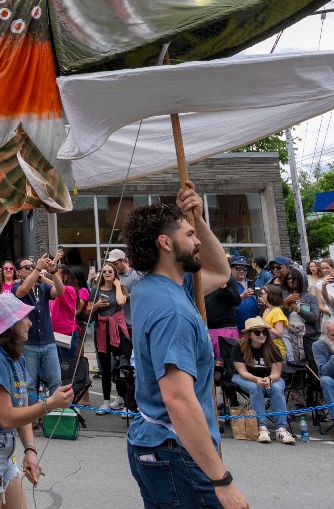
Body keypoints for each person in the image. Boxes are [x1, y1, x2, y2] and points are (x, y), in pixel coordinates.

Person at [121, 187, 247, 509]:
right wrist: (221, 480)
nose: (198, 242)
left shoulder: (154, 286)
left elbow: (220, 272)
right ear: (165, 242)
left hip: (156, 445)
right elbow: (177, 398)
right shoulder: (172, 310)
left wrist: (198, 219)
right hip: (177, 450)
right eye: (190, 235)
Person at [0, 293, 74, 508]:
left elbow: (22, 410)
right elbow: (7, 418)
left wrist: (30, 450)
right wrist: (50, 404)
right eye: (24, 317)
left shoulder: (17, 357)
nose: (30, 323)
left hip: (3, 445)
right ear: (10, 324)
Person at [230, 317, 293, 444]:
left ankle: (281, 429)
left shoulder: (273, 347)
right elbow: (242, 372)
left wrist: (268, 379)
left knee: (277, 388)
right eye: (257, 332)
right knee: (255, 387)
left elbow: (276, 373)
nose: (262, 335)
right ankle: (261, 427)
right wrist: (257, 379)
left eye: (264, 331)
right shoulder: (239, 346)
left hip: (270, 377)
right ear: (249, 334)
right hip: (245, 377)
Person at [13, 252, 63, 395]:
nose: (31, 269)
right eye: (27, 267)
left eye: (32, 266)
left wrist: (53, 271)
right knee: (29, 385)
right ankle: (31, 410)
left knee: (56, 381)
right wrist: (37, 269)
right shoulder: (16, 287)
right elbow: (22, 291)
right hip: (29, 343)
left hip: (48, 341)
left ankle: (55, 409)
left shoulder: (42, 287)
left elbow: (60, 291)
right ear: (18, 272)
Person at [90, 262, 130, 411]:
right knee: (105, 368)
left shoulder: (120, 288)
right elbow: (88, 310)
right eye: (104, 271)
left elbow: (121, 301)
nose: (107, 273)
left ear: (115, 274)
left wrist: (118, 285)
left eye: (110, 271)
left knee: (121, 366)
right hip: (101, 330)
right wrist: (97, 306)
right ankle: (106, 402)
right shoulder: (95, 289)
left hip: (117, 330)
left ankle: (123, 399)